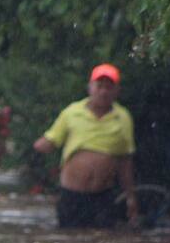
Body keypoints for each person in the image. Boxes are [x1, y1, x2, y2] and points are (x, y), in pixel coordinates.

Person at [33, 63, 138, 227]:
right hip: (72, 195)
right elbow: (51, 141)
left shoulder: (123, 118)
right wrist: (39, 148)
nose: (103, 91)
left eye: (109, 87)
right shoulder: (71, 113)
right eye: (99, 86)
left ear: (117, 91)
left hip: (103, 196)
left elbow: (125, 161)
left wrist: (130, 196)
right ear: (90, 87)